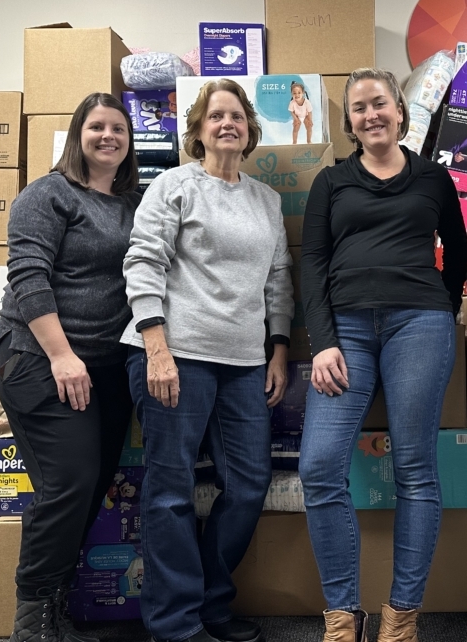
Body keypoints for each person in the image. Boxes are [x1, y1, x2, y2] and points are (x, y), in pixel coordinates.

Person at [299, 68, 467, 642]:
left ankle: (401, 619)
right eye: (358, 108)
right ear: (349, 122)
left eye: (380, 104)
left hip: (419, 325)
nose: (370, 115)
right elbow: (313, 265)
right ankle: (343, 617)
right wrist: (322, 342)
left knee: (415, 469)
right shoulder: (331, 182)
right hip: (345, 330)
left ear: (400, 111)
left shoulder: (433, 179)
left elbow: (460, 251)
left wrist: (441, 312)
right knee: (319, 466)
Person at [121, 78, 293, 642]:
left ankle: (213, 604)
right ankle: (175, 624)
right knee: (170, 491)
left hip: (244, 362)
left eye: (237, 116)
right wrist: (156, 346)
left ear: (250, 129)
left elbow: (278, 280)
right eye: (216, 115)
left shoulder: (266, 199)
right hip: (175, 354)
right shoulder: (174, 185)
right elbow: (143, 261)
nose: (228, 124)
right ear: (196, 129)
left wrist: (279, 346)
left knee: (248, 484)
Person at [0, 92, 141, 642]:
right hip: (39, 357)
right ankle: (30, 624)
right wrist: (61, 355)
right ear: (78, 135)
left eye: (118, 129)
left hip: (104, 364)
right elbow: (27, 278)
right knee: (70, 482)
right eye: (97, 126)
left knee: (95, 481)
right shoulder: (47, 194)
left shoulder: (131, 204)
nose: (108, 136)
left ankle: (58, 608)